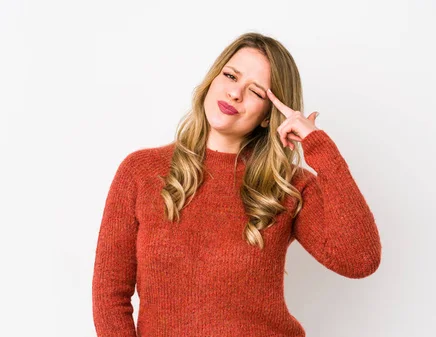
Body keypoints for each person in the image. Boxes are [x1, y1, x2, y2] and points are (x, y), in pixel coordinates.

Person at [92, 32, 382, 337]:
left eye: (256, 92)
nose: (234, 93)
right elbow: (110, 295)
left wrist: (319, 147)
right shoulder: (141, 171)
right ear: (212, 79)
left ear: (269, 116)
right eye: (230, 75)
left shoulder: (287, 186)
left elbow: (359, 260)